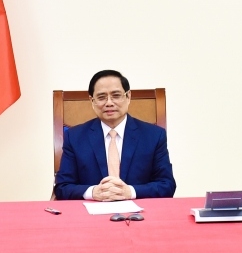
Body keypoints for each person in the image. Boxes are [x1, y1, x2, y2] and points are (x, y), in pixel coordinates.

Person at [53, 70, 176, 200]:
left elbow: (167, 185)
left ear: (128, 97)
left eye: (116, 95)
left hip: (139, 215)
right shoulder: (75, 137)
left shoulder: (154, 136)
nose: (109, 103)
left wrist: (130, 192)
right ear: (92, 101)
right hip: (91, 213)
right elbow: (62, 187)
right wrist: (93, 192)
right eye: (101, 97)